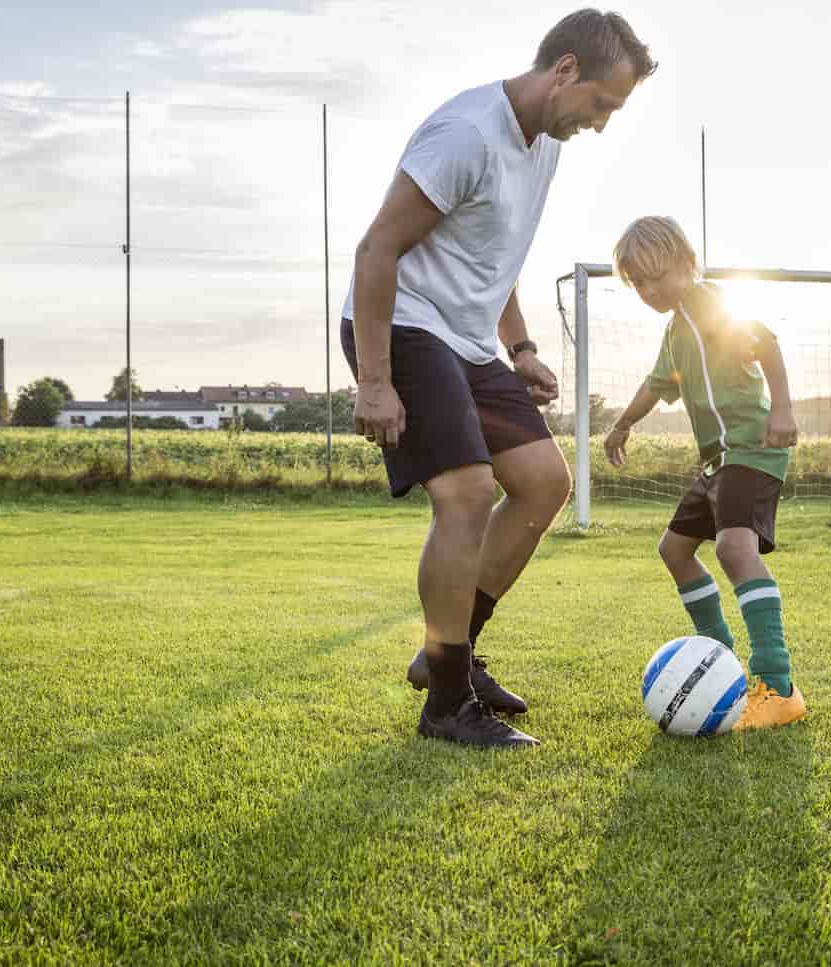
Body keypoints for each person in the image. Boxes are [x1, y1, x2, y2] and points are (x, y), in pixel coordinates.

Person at [343, 10, 657, 748]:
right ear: (567, 71)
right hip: (403, 324)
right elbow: (376, 249)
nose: (602, 125)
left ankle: (448, 653)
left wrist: (519, 347)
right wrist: (376, 381)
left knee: (546, 482)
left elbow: (495, 253)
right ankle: (448, 704)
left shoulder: (544, 139)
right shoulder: (467, 134)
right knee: (467, 493)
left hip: (469, 339)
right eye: (603, 105)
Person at [603, 216, 807, 730]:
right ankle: (720, 660)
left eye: (657, 276)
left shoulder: (711, 305)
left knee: (734, 549)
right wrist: (622, 424)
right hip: (716, 460)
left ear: (687, 264)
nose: (648, 290)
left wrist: (782, 409)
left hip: (751, 449)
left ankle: (777, 687)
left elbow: (767, 344)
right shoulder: (675, 330)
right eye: (638, 283)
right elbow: (656, 384)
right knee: (673, 550)